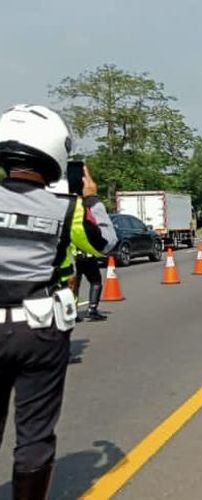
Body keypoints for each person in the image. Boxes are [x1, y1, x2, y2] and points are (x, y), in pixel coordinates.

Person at [0, 104, 117, 499]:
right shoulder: (68, 210)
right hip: (39, 330)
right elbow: (105, 243)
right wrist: (92, 198)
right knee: (34, 433)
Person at [73, 251, 106, 321]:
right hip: (87, 256)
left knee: (74, 285)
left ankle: (72, 312)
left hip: (72, 258)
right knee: (96, 281)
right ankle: (92, 310)